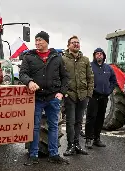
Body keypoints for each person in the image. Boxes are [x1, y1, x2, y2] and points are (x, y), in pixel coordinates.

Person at [19, 31, 70, 165]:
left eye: (40, 40)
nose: (37, 43)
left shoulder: (57, 57)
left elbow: (65, 77)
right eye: (36, 41)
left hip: (53, 97)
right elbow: (22, 73)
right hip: (36, 98)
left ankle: (54, 154)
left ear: (46, 41)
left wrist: (62, 92)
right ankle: (33, 155)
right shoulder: (29, 57)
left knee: (53, 126)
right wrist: (29, 82)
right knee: (34, 127)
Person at [62, 35, 94, 156]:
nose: (76, 44)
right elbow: (60, 77)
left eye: (77, 42)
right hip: (69, 95)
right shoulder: (63, 59)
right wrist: (64, 92)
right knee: (70, 122)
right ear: (68, 45)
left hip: (83, 96)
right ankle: (70, 146)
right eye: (73, 42)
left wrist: (88, 94)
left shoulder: (85, 60)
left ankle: (77, 145)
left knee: (79, 122)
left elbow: (90, 78)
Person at [85, 48, 117, 148]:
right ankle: (88, 139)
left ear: (103, 56)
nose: (99, 55)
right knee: (91, 117)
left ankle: (97, 139)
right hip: (93, 96)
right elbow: (84, 79)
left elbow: (113, 81)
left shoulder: (108, 68)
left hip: (104, 97)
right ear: (94, 55)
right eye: (97, 54)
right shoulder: (89, 66)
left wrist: (109, 91)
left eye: (101, 54)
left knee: (100, 118)